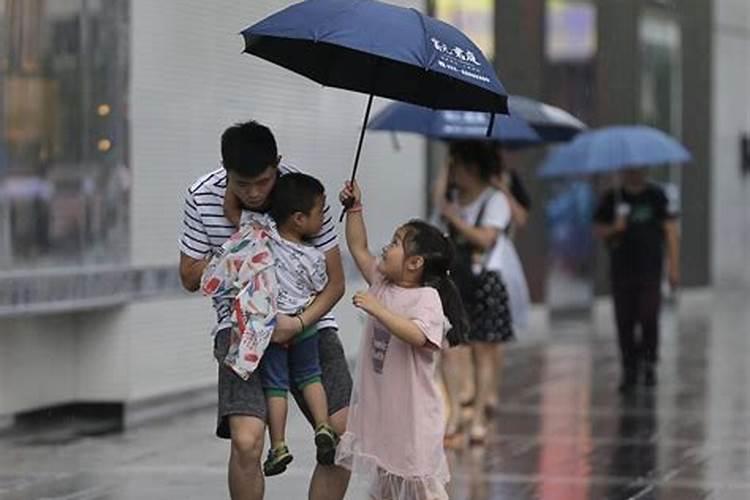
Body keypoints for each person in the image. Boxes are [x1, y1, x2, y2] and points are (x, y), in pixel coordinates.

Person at [178, 120, 351, 500]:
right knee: (246, 440)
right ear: (227, 173)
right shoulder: (201, 195)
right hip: (241, 327)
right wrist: (242, 252)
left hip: (308, 322)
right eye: (243, 185)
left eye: (264, 182)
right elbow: (189, 276)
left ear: (278, 164)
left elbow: (335, 283)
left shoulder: (304, 191)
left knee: (344, 433)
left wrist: (299, 322)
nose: (255, 194)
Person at [335, 179, 468, 500]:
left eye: (396, 242)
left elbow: (418, 335)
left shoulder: (426, 299)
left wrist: (379, 310)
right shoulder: (382, 283)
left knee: (421, 488)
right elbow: (358, 247)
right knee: (387, 484)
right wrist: (354, 209)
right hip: (384, 412)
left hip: (414, 419)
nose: (387, 246)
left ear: (414, 262)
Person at [244, 173, 339, 476]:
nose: (324, 219)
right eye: (320, 212)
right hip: (304, 324)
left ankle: (279, 446)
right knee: (311, 377)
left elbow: (235, 215)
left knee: (276, 388)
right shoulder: (313, 257)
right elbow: (322, 285)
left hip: (271, 328)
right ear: (299, 219)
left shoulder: (265, 235)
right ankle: (323, 426)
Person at [439, 140, 516, 444]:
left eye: (455, 165)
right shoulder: (451, 197)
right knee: (448, 347)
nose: (452, 172)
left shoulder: (495, 200)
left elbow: (486, 239)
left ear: (471, 168)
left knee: (483, 351)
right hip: (455, 281)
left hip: (485, 282)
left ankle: (479, 416)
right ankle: (456, 411)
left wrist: (455, 218)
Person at [593, 168, 680, 393]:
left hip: (650, 270)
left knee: (649, 316)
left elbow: (670, 231)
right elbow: (599, 229)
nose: (635, 172)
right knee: (625, 321)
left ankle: (649, 361)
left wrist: (673, 267)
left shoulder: (657, 196)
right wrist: (615, 227)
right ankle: (629, 367)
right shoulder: (612, 198)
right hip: (621, 271)